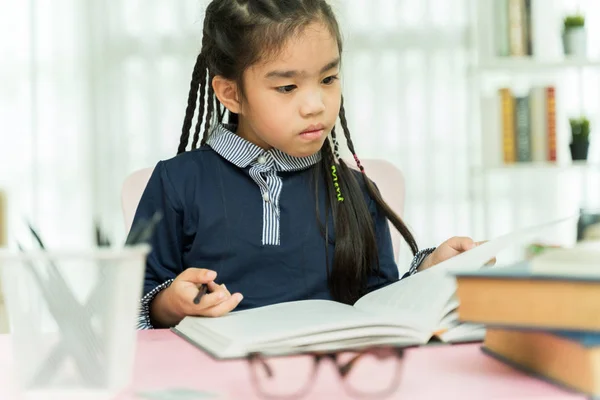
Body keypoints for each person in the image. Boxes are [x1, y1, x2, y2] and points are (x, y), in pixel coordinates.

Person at [132, 0, 480, 330]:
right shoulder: (177, 183)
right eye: (287, 87)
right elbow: (128, 308)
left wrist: (430, 273)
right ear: (231, 94)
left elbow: (380, 306)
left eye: (328, 79)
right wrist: (172, 305)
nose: (315, 105)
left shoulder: (355, 190)